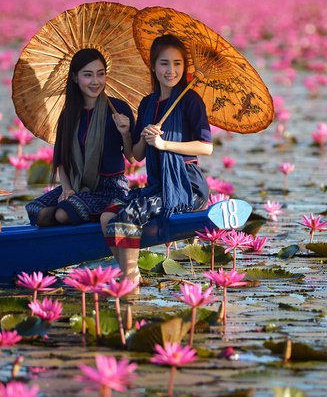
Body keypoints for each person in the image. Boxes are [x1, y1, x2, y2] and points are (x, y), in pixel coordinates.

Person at [105, 34, 213, 282]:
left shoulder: (190, 101)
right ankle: (131, 274)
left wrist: (164, 144)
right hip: (158, 185)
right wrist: (137, 136)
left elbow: (206, 147)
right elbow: (137, 156)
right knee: (110, 213)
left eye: (177, 63)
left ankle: (129, 281)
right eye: (164, 63)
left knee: (128, 215)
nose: (171, 70)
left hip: (187, 186)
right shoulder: (146, 104)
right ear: (153, 66)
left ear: (185, 67)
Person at [26, 48, 135, 234]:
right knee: (37, 212)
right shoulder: (68, 114)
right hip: (77, 185)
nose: (95, 81)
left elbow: (133, 158)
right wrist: (67, 190)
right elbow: (62, 161)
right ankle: (75, 217)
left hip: (110, 189)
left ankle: (90, 216)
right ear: (75, 78)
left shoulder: (118, 109)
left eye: (100, 74)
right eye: (88, 75)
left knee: (62, 214)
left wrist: (125, 133)